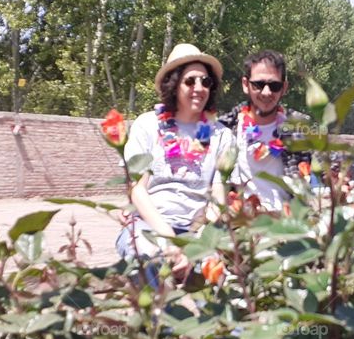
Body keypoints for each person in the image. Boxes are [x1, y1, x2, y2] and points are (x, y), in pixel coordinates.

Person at [117, 43, 235, 278]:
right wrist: (168, 242)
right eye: (190, 81)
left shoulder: (222, 135)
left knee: (218, 276)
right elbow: (137, 190)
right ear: (173, 84)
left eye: (206, 82)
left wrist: (197, 246)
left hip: (201, 231)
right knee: (148, 260)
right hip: (150, 228)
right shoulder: (147, 125)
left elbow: (219, 196)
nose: (199, 88)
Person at [218, 50, 310, 212]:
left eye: (274, 86)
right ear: (246, 85)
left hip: (287, 224)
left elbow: (326, 172)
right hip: (241, 223)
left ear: (284, 88)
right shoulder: (226, 127)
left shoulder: (300, 128)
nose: (267, 92)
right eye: (259, 85)